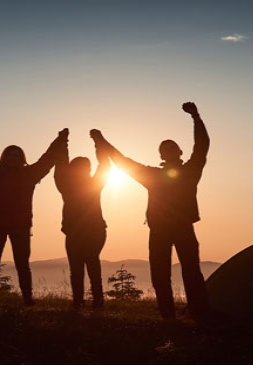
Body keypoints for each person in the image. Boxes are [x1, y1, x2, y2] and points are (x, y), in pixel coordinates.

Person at [91, 102, 210, 320]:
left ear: (179, 152)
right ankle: (168, 317)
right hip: (159, 230)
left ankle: (199, 313)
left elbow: (202, 145)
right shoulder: (153, 175)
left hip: (183, 228)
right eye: (164, 148)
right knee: (160, 275)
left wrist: (196, 117)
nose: (167, 150)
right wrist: (101, 141)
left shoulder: (191, 171)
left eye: (171, 146)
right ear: (161, 155)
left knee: (192, 272)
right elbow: (122, 161)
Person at [0, 116, 67, 305]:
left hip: (20, 225)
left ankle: (27, 298)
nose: (13, 158)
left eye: (16, 155)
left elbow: (47, 159)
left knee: (22, 264)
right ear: (4, 157)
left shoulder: (30, 174)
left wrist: (60, 140)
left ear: (22, 158)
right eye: (9, 155)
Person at [54, 129, 110, 309]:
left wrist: (98, 141)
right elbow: (61, 164)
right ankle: (81, 301)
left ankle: (95, 301)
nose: (86, 169)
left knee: (90, 263)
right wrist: (63, 142)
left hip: (94, 231)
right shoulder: (66, 185)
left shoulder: (93, 184)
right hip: (76, 232)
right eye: (82, 167)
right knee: (79, 268)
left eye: (87, 167)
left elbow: (104, 166)